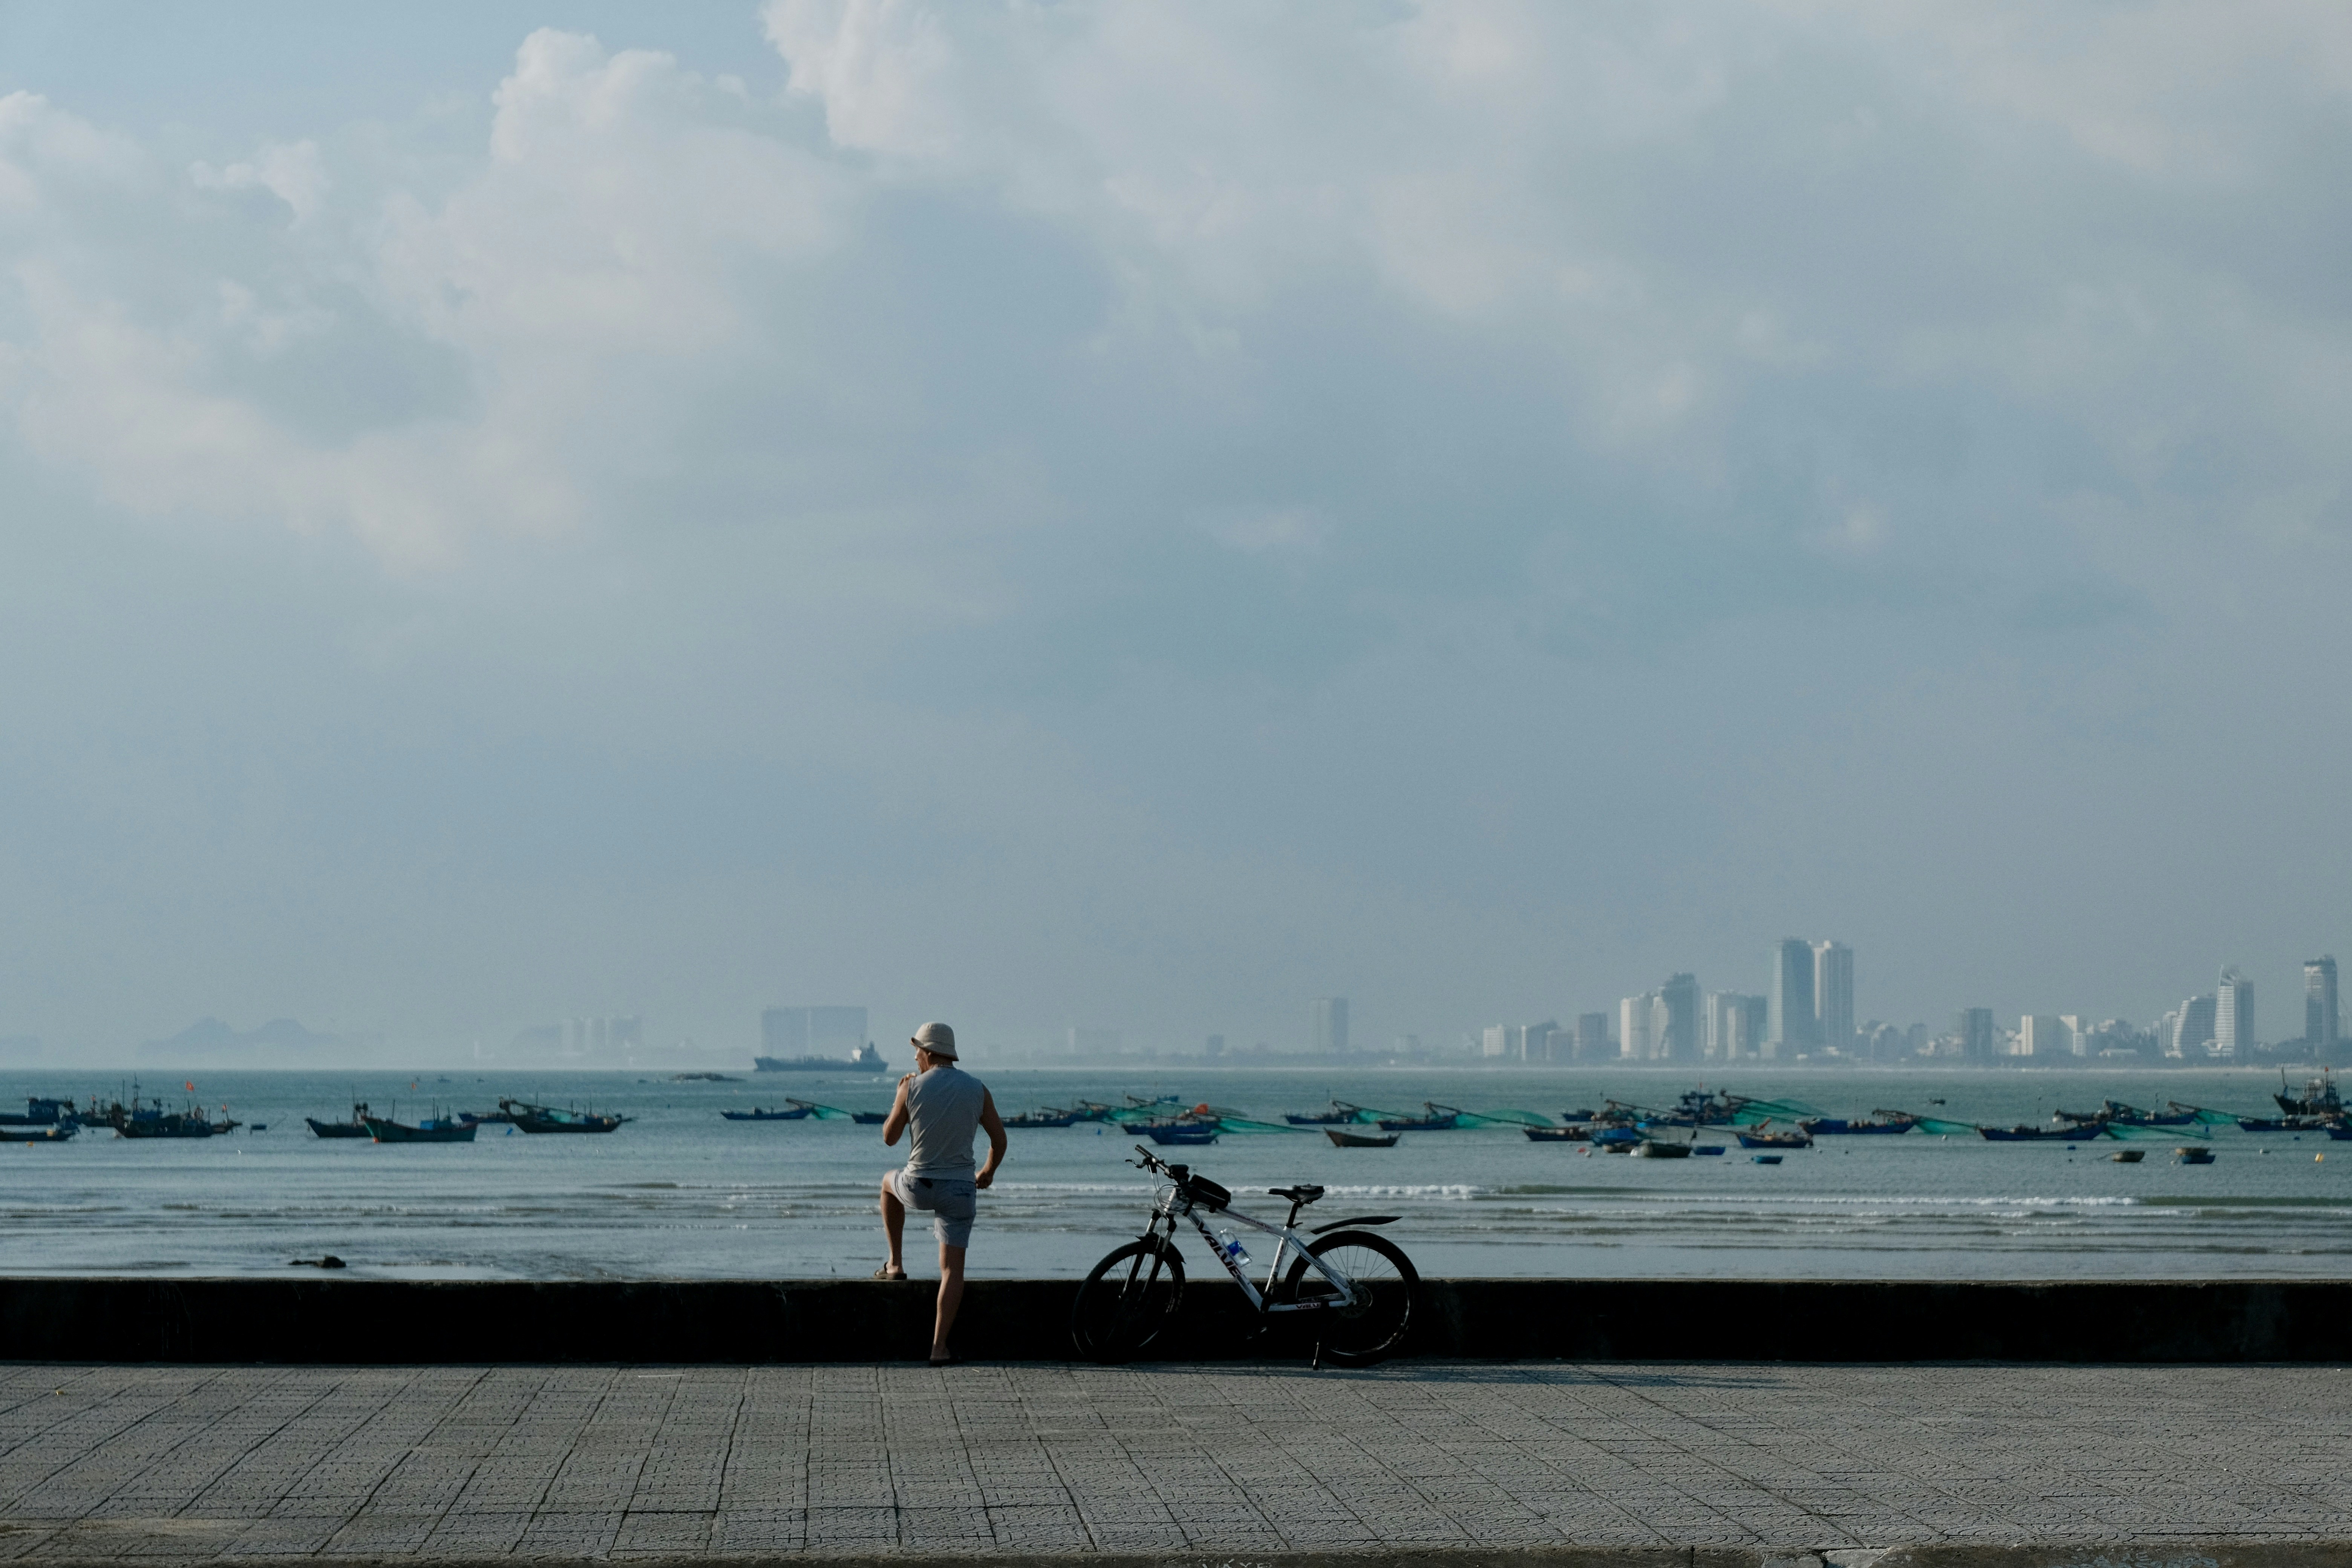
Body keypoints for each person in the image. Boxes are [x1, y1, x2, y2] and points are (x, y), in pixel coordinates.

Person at [877, 1021, 1007, 1365]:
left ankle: (896, 1264)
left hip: (919, 1186)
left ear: (930, 1052)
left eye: (917, 1050)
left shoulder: (912, 1087)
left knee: (887, 1185)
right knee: (952, 1270)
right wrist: (988, 1173)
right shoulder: (978, 1089)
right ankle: (939, 1349)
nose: (916, 1057)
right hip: (961, 1190)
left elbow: (889, 1138)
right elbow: (1000, 1140)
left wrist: (898, 1096)